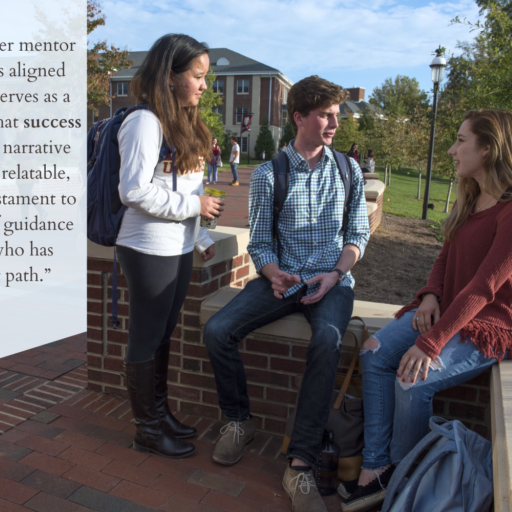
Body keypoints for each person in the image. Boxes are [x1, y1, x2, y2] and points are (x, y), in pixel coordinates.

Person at [340, 109, 512, 512]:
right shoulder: (473, 193)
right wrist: (429, 296)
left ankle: (403, 479)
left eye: (461, 140)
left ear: (490, 148)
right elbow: (446, 255)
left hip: (501, 324)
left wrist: (430, 343)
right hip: (454, 310)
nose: (451, 149)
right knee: (374, 351)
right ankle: (376, 469)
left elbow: (485, 286)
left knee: (412, 379)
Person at [203, 76, 370, 512]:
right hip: (283, 281)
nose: (335, 122)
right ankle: (239, 422)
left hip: (331, 281)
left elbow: (357, 235)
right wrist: (275, 275)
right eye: (325, 115)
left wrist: (335, 274)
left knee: (327, 341)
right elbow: (259, 242)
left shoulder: (347, 170)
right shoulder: (267, 174)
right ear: (300, 117)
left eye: (336, 114)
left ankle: (299, 465)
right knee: (218, 329)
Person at [116, 33, 224, 459]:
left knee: (164, 333)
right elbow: (133, 191)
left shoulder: (187, 124)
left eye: (206, 77)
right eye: (197, 76)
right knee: (146, 336)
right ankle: (146, 428)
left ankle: (160, 414)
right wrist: (194, 205)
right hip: (145, 247)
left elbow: (185, 189)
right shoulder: (145, 122)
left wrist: (198, 235)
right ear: (171, 76)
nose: (203, 85)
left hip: (177, 247)